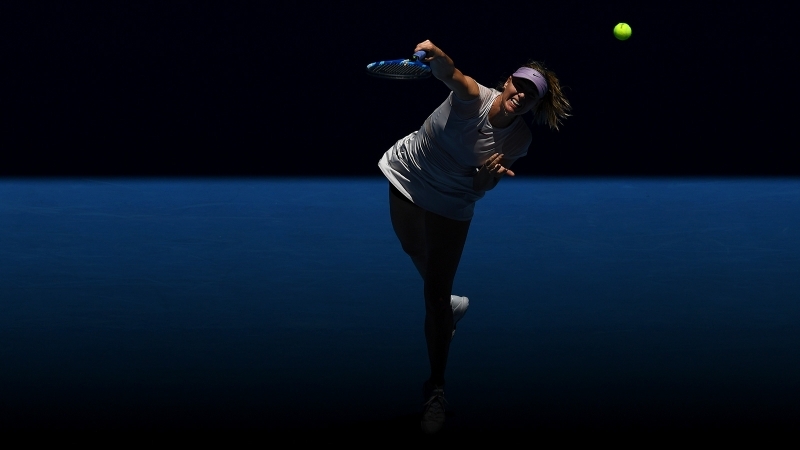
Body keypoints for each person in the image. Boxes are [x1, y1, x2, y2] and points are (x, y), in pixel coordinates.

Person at [378, 40, 571, 434]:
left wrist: (484, 180)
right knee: (411, 246)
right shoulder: (471, 98)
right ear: (507, 82)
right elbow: (451, 72)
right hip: (408, 173)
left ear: (536, 104)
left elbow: (483, 187)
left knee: (434, 296)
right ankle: (450, 304)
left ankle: (435, 389)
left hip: (453, 198)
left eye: (532, 94)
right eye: (520, 85)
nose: (522, 95)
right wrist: (436, 53)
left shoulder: (519, 141)